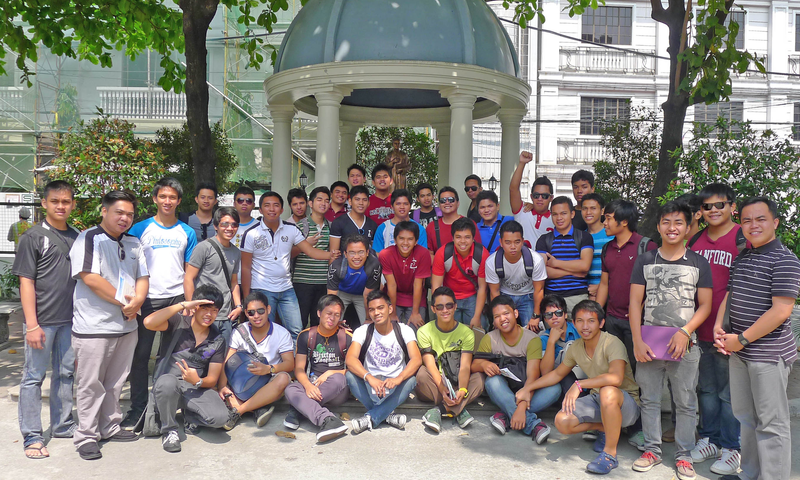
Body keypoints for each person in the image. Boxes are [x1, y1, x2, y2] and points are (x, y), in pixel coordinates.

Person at [714, 197, 800, 480]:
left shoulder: (786, 260)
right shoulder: (744, 256)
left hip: (768, 354)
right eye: (747, 220)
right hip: (741, 352)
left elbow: (781, 311)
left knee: (772, 424)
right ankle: (749, 473)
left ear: (774, 222)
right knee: (746, 418)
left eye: (760, 219)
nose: (753, 225)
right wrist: (719, 326)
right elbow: (730, 293)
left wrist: (742, 339)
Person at [629, 201, 713, 480]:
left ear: (688, 228)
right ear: (658, 226)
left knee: (686, 402)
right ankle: (652, 449)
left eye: (678, 223)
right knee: (649, 399)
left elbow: (705, 306)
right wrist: (637, 341)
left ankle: (684, 455)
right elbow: (634, 303)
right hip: (650, 342)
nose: (672, 228)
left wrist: (685, 331)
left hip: (685, 344)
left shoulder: (699, 263)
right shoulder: (646, 260)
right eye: (666, 222)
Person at [517, 300, 641, 475]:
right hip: (599, 400)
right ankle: (607, 427)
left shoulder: (612, 343)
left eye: (591, 321)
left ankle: (610, 455)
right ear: (573, 323)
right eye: (580, 321)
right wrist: (528, 388)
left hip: (626, 404)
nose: (585, 326)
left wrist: (579, 384)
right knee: (562, 421)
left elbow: (616, 377)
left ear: (601, 323)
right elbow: (557, 374)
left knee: (607, 390)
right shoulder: (576, 347)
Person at [70, 191, 149, 460]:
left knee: (116, 382)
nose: (125, 218)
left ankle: (110, 426)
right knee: (90, 384)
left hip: (127, 327)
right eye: (119, 212)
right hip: (94, 327)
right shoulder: (89, 238)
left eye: (129, 214)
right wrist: (124, 303)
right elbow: (89, 277)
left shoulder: (134, 242)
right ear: (104, 211)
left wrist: (137, 302)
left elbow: (143, 277)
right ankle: (86, 436)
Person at [123, 177, 197, 431]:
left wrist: (188, 302)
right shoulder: (140, 229)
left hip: (176, 300)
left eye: (173, 197)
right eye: (163, 196)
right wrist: (132, 298)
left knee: (171, 357)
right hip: (147, 300)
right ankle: (138, 409)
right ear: (155, 199)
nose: (167, 201)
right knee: (140, 356)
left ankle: (166, 408)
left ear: (179, 201)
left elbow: (189, 271)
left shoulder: (187, 232)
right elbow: (128, 264)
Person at [14, 180, 79, 459]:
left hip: (70, 322)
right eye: (55, 201)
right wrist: (32, 324)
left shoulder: (77, 237)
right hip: (42, 323)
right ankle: (32, 436)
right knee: (33, 378)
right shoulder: (33, 237)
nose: (61, 206)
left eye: (66, 201)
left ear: (73, 204)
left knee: (66, 375)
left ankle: (63, 424)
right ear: (44, 203)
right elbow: (26, 282)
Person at [686, 184, 744, 474]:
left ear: (732, 206)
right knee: (705, 389)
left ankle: (731, 447)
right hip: (699, 330)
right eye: (707, 206)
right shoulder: (696, 240)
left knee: (728, 393)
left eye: (719, 205)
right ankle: (708, 438)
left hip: (730, 333)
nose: (713, 210)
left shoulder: (743, 238)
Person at [144, 285, 230, 453]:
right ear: (195, 307)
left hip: (193, 387)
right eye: (204, 308)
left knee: (221, 418)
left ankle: (190, 415)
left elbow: (212, 379)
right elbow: (148, 322)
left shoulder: (217, 340)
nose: (209, 314)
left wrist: (197, 380)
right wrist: (183, 305)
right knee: (168, 382)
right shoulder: (178, 323)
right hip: (167, 385)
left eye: (214, 310)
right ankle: (169, 430)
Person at [240, 191, 336, 340]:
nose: (272, 209)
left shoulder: (291, 229)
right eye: (267, 205)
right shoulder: (251, 234)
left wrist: (332, 255)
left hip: (286, 288)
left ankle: (295, 363)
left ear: (282, 210)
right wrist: (247, 298)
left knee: (296, 330)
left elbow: (310, 251)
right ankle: (269, 362)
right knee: (265, 329)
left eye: (276, 205)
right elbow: (245, 267)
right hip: (262, 288)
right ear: (260, 210)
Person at [473, 295, 557, 443]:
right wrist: (484, 364)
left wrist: (521, 407)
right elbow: (473, 365)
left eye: (506, 313)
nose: (503, 319)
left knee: (555, 388)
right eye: (497, 316)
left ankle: (506, 415)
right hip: (503, 390)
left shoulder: (532, 339)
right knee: (492, 381)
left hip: (527, 387)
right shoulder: (490, 338)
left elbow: (533, 375)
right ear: (493, 321)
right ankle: (533, 424)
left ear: (516, 314)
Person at [345, 290, 422, 433]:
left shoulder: (404, 330)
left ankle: (371, 417)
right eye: (372, 309)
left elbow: (416, 359)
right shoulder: (363, 331)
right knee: (350, 376)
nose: (376, 313)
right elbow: (350, 359)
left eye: (381, 308)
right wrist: (369, 378)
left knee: (411, 380)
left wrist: (399, 378)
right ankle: (386, 414)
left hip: (395, 386)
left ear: (390, 309)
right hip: (371, 385)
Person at [596, 199, 657, 375]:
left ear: (624, 221)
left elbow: (655, 286)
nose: (604, 223)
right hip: (612, 319)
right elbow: (604, 283)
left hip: (637, 321)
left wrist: (640, 309)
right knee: (616, 366)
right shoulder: (607, 248)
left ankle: (640, 401)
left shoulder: (646, 246)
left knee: (639, 367)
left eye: (608, 218)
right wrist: (598, 313)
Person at [219, 291, 295, 430]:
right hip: (241, 383)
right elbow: (228, 361)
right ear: (246, 314)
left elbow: (290, 364)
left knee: (284, 379)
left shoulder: (281, 333)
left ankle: (239, 411)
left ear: (268, 309)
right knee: (220, 389)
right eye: (251, 313)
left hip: (268, 382)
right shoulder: (239, 331)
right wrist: (222, 386)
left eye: (261, 311)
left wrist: (269, 369)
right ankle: (258, 408)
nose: (256, 316)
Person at [283, 295, 352, 442]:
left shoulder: (346, 337)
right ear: (319, 313)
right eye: (328, 313)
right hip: (312, 384)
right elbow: (299, 369)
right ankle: (327, 419)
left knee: (339, 379)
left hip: (337, 389)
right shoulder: (306, 335)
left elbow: (355, 369)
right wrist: (307, 386)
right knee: (290, 389)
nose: (332, 318)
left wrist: (331, 372)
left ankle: (297, 410)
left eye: (336, 315)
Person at [416, 286, 484, 432]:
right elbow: (430, 365)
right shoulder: (423, 331)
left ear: (455, 307)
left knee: (479, 379)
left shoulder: (466, 333)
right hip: (435, 384)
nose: (445, 310)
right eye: (440, 307)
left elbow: (465, 366)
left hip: (457, 383)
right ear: (433, 309)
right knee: (421, 373)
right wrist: (442, 388)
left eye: (449, 305)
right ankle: (459, 409)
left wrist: (463, 389)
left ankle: (439, 410)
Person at [184, 207, 242, 342]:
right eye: (225, 224)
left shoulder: (236, 252)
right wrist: (191, 305)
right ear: (216, 226)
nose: (229, 228)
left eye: (234, 225)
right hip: (205, 313)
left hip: (226, 315)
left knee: (222, 357)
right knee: (201, 356)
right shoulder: (203, 247)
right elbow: (189, 278)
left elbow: (234, 283)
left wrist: (239, 306)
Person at [536, 196, 594, 315]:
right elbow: (543, 272)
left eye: (563, 213)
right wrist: (573, 271)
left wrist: (556, 263)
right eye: (555, 214)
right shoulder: (544, 240)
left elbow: (584, 266)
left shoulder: (584, 237)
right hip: (552, 300)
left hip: (578, 297)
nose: (559, 218)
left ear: (572, 214)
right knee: (553, 333)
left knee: (580, 333)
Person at [485, 220, 546, 328]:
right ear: (501, 242)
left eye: (517, 242)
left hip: (528, 296)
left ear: (522, 241)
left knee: (532, 331)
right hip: (504, 296)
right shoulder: (492, 262)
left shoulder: (535, 260)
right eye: (508, 242)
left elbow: (539, 290)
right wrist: (497, 316)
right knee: (503, 329)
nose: (513, 246)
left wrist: (536, 316)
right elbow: (494, 292)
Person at [431, 217, 489, 330]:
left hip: (473, 296)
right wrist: (440, 309)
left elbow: (483, 287)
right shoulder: (443, 253)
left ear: (473, 238)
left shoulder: (481, 254)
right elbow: (436, 286)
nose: (463, 241)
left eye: (467, 237)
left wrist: (477, 316)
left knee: (479, 329)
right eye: (458, 237)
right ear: (452, 238)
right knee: (448, 331)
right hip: (449, 297)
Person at [379, 221, 432, 330]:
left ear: (416, 241)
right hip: (394, 297)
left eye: (410, 239)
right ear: (395, 239)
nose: (405, 243)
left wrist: (415, 313)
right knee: (390, 329)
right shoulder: (386, 254)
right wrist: (392, 313)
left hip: (415, 297)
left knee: (415, 330)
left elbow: (418, 284)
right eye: (401, 238)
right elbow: (391, 285)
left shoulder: (423, 253)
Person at [292, 186, 333, 329]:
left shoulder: (331, 227)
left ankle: (316, 350)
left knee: (319, 321)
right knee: (300, 320)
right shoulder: (299, 226)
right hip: (302, 281)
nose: (323, 203)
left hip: (323, 282)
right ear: (311, 203)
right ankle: (300, 350)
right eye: (319, 200)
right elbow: (289, 253)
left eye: (327, 201)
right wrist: (304, 245)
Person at [327, 234, 382, 327]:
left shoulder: (374, 265)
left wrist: (368, 318)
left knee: (371, 323)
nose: (356, 257)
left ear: (367, 252)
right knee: (332, 320)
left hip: (362, 294)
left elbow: (367, 294)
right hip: (341, 293)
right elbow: (331, 296)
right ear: (345, 254)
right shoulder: (336, 266)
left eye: (361, 252)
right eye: (352, 252)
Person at [538, 294, 583, 398]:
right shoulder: (543, 338)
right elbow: (545, 372)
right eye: (549, 315)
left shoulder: (579, 330)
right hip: (562, 383)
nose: (554, 317)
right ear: (545, 319)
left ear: (565, 315)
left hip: (585, 375)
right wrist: (551, 342)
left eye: (558, 313)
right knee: (566, 375)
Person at [510, 151, 554, 247]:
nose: (540, 198)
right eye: (536, 195)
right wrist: (522, 163)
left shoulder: (556, 219)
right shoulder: (523, 212)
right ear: (531, 197)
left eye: (545, 196)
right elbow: (513, 189)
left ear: (551, 198)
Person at [372, 188, 427, 253]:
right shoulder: (383, 228)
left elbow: (422, 254)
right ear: (392, 206)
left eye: (405, 204)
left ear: (410, 206)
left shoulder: (419, 229)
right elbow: (377, 254)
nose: (402, 207)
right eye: (398, 204)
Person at [330, 185, 378, 254]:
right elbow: (333, 254)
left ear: (368, 203)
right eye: (357, 199)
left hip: (367, 263)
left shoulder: (372, 224)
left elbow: (373, 251)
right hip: (344, 263)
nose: (361, 203)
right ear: (350, 201)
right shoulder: (338, 222)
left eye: (364, 200)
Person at [582, 193, 612, 301]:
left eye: (593, 208)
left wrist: (600, 287)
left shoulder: (611, 235)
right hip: (586, 294)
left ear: (602, 211)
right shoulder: (580, 237)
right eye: (585, 208)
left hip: (610, 293)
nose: (588, 212)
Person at [426, 187, 471, 255]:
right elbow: (430, 255)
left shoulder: (470, 224)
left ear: (458, 203)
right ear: (439, 205)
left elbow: (477, 252)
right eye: (443, 200)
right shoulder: (431, 227)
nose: (447, 203)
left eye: (451, 200)